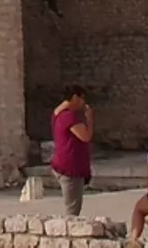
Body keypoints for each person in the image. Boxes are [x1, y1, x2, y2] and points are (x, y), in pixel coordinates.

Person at [49, 85, 94, 216]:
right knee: (73, 209)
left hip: (62, 162)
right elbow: (86, 136)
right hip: (70, 167)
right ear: (75, 97)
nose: (83, 103)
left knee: (71, 205)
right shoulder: (69, 117)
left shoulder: (57, 113)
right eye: (82, 99)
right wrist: (90, 119)